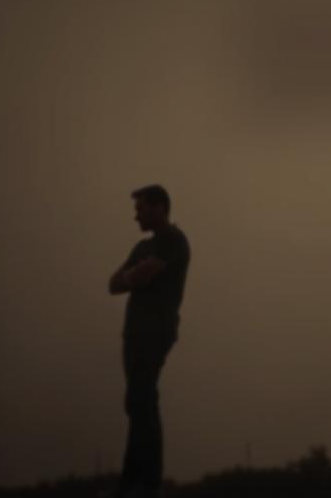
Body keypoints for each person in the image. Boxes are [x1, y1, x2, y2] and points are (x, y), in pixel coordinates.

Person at [107, 185, 191, 498]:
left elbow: (142, 276)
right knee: (137, 403)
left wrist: (136, 275)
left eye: (140, 209)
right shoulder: (142, 247)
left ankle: (147, 484)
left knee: (143, 401)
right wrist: (136, 274)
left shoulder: (173, 240)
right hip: (133, 333)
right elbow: (113, 283)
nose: (136, 216)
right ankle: (132, 484)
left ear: (159, 208)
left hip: (155, 332)